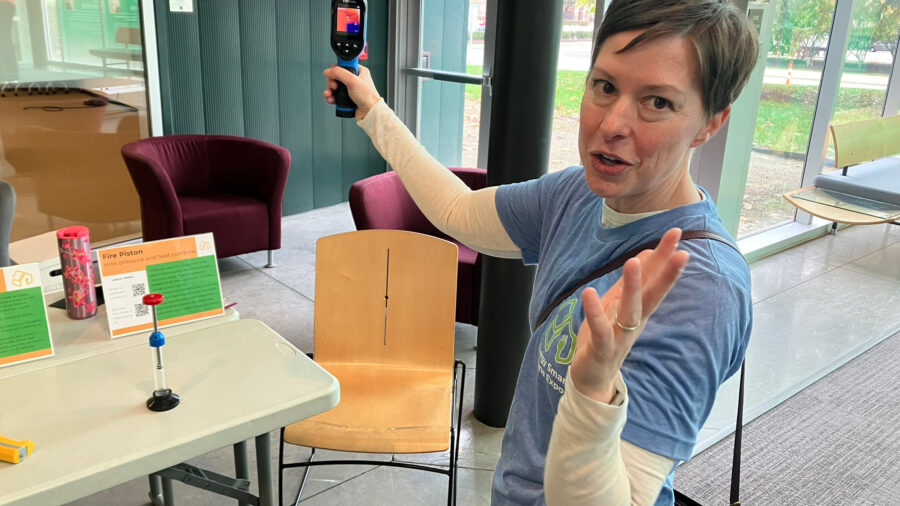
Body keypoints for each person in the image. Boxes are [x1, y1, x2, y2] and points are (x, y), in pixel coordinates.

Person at [323, 0, 757, 503]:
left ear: (709, 124)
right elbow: (461, 212)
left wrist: (592, 395)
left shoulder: (702, 289)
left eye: (657, 102)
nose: (612, 123)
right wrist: (374, 111)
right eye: (606, 86)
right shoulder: (576, 194)